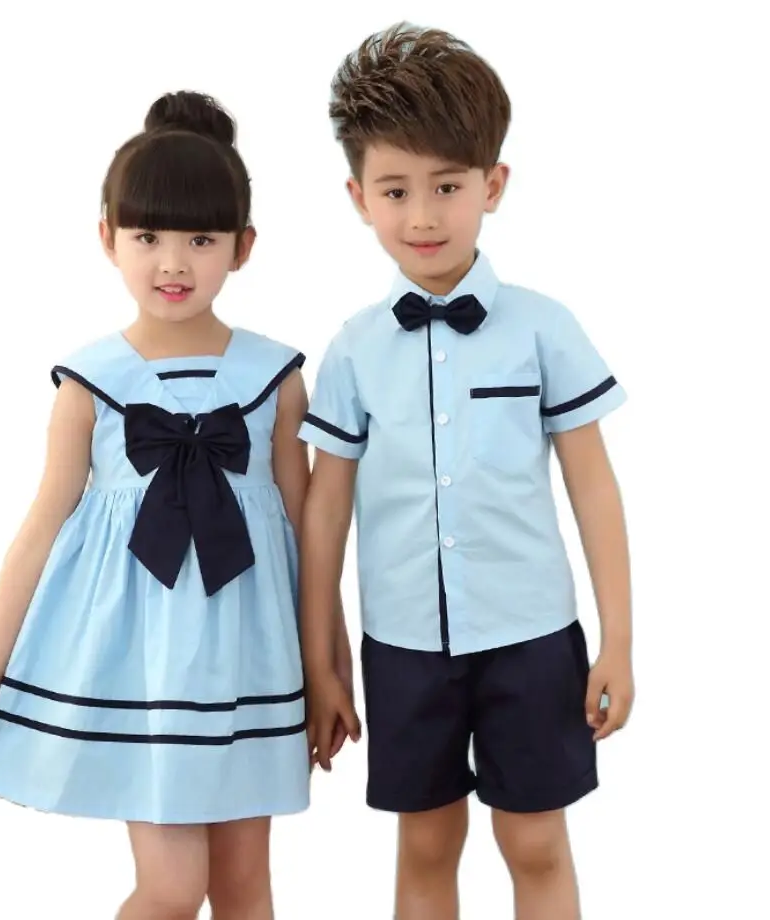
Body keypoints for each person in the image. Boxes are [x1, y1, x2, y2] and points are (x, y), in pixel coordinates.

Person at [0, 90, 314, 920]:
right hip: (145, 673)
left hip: (254, 670)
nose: (173, 263)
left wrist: (328, 668)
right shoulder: (91, 382)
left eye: (200, 239)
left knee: (246, 890)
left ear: (243, 246)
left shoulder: (275, 380)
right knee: (173, 888)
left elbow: (309, 540)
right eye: (148, 237)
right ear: (107, 238)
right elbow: (38, 534)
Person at [299, 24, 634, 920]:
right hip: (404, 644)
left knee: (536, 842)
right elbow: (325, 512)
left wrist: (619, 640)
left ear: (493, 184)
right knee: (425, 844)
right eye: (395, 190)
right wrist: (321, 659)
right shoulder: (353, 350)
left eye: (447, 186)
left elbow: (593, 489)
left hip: (534, 636)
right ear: (358, 197)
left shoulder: (544, 328)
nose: (422, 217)